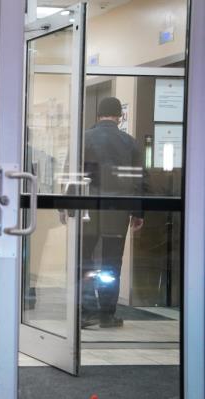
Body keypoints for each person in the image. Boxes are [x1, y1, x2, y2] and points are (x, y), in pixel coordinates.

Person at [64, 97, 145, 329]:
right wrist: (138, 212)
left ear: (98, 115)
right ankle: (107, 315)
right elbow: (139, 180)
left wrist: (65, 205)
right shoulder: (130, 142)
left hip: (87, 211)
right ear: (119, 116)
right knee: (111, 263)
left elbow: (73, 173)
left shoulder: (83, 138)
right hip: (117, 213)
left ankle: (87, 311)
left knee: (85, 261)